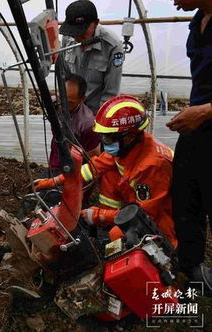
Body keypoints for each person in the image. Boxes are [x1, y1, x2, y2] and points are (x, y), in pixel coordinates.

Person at [36, 95, 177, 247]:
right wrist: (51, 182)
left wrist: (98, 215)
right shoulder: (130, 147)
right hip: (134, 209)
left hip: (160, 230)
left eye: (108, 138)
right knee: (108, 173)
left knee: (116, 236)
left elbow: (144, 216)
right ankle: (108, 229)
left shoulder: (152, 166)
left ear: (128, 137)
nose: (104, 142)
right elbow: (92, 168)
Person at [166, 0, 212, 293]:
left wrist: (206, 111)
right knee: (185, 198)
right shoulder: (198, 21)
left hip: (205, 118)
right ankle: (190, 270)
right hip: (197, 129)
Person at [60, 0, 124, 114]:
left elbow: (111, 92)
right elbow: (64, 77)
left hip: (96, 114)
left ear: (95, 23)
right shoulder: (68, 39)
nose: (78, 37)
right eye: (74, 33)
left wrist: (99, 124)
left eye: (82, 32)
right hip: (72, 112)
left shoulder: (112, 46)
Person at [48, 73, 100, 176]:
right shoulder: (54, 104)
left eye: (69, 102)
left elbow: (94, 157)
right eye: (61, 99)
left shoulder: (87, 124)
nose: (63, 105)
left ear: (82, 99)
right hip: (54, 164)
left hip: (74, 172)